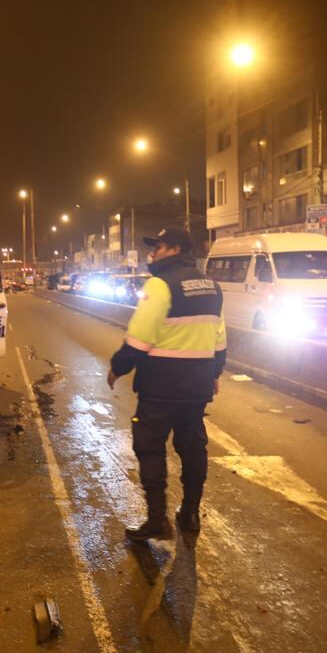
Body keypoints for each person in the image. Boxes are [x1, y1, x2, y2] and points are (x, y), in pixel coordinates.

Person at [107, 226, 226, 540]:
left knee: (149, 446)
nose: (152, 253)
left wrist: (117, 368)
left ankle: (158, 520)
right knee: (192, 446)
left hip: (161, 385)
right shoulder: (212, 287)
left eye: (157, 247)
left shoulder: (160, 285)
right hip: (197, 385)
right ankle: (190, 514)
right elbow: (219, 337)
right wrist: (215, 373)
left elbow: (139, 338)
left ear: (173, 249)